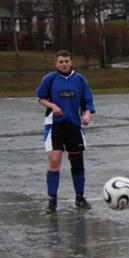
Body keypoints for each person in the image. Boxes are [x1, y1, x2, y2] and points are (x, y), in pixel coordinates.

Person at [35, 50, 95, 213]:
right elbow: (40, 98)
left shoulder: (80, 80)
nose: (64, 64)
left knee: (77, 162)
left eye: (66, 61)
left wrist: (87, 115)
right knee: (54, 160)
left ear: (71, 62)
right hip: (54, 125)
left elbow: (87, 102)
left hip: (74, 125)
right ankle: (52, 201)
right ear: (56, 64)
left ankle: (80, 198)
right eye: (60, 61)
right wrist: (53, 106)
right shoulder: (50, 79)